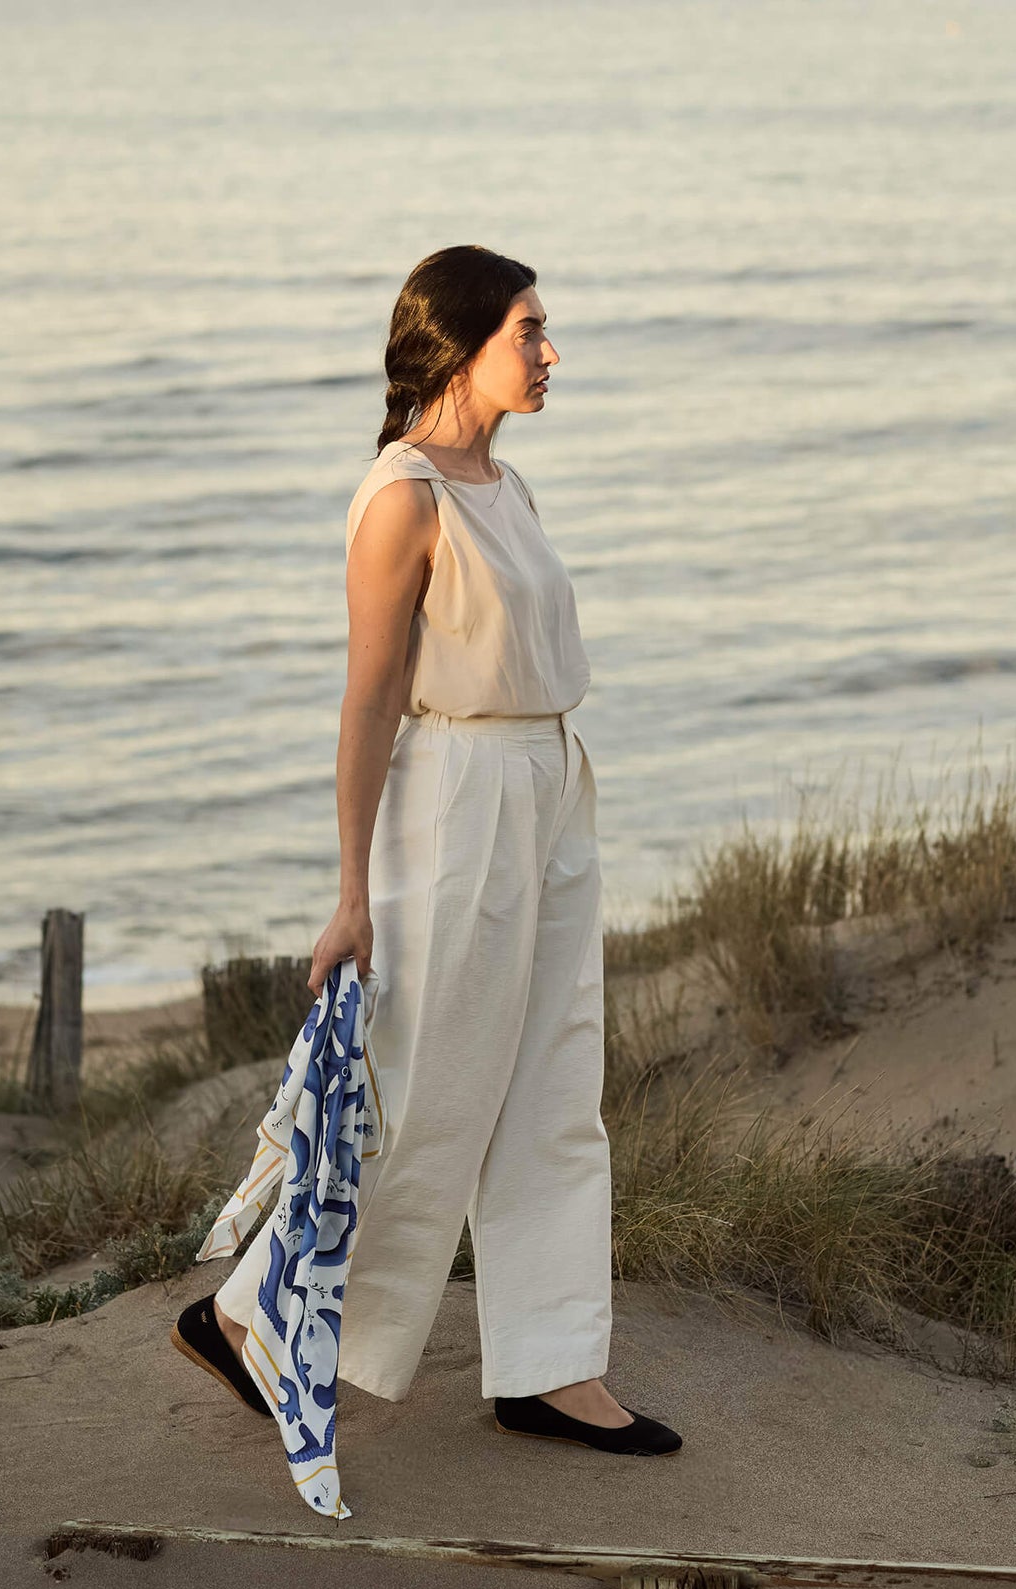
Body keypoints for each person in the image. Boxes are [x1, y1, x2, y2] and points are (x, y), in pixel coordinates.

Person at [175, 245, 682, 1461]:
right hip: (456, 800)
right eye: (530, 329)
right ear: (458, 342)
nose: (552, 353)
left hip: (551, 782)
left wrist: (553, 790)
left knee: (559, 1088)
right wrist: (351, 893)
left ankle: (551, 1368)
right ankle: (251, 1319)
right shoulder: (402, 497)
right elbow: (369, 703)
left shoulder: (504, 484)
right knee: (425, 1093)